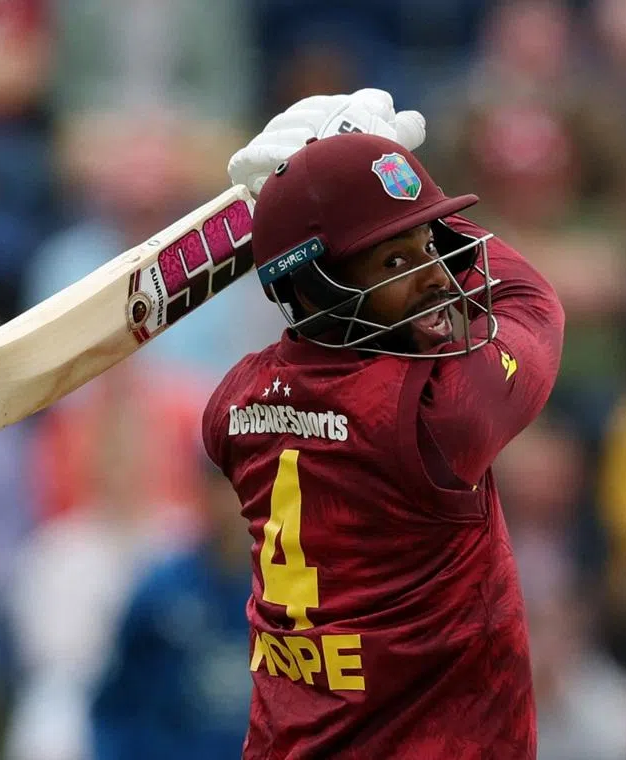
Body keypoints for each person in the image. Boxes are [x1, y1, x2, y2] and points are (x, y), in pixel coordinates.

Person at [202, 90, 566, 758]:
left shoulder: (234, 403)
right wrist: (386, 169)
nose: (436, 276)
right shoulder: (438, 416)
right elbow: (531, 302)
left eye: (431, 244)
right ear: (314, 286)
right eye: (396, 262)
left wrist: (343, 186)